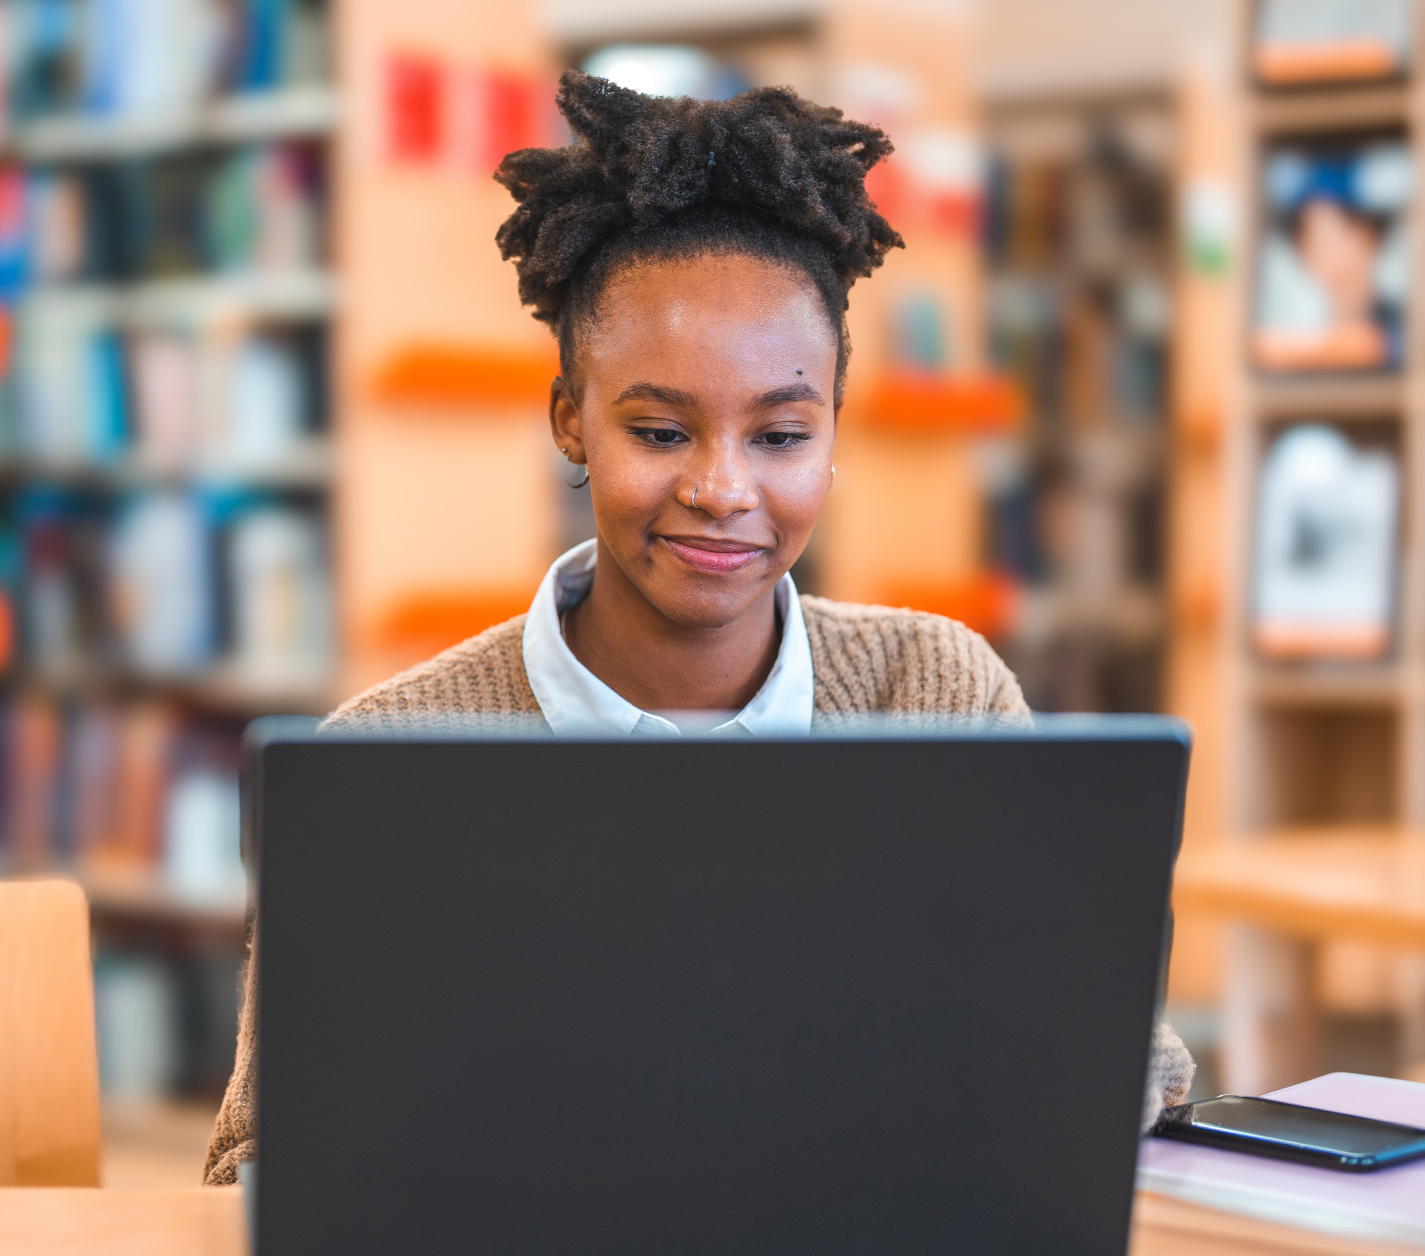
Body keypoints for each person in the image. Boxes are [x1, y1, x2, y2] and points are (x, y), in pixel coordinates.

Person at [201, 72, 1194, 1186]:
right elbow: (257, 1161)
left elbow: (1123, 1056)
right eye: (662, 429)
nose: (724, 488)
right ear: (572, 417)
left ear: (832, 431)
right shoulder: (384, 758)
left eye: (780, 434)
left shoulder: (937, 688)